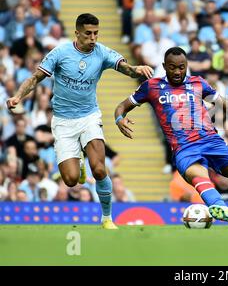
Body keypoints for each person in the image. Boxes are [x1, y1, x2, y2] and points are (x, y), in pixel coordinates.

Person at [6, 13, 153, 229]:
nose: (92, 38)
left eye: (95, 33)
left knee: (101, 169)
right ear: (77, 33)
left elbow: (125, 67)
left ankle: (107, 218)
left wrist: (136, 70)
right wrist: (18, 96)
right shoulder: (60, 53)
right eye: (88, 33)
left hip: (89, 117)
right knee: (71, 180)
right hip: (63, 122)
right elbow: (35, 78)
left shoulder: (102, 52)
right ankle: (79, 161)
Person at [114, 47, 228, 228]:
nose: (177, 72)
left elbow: (227, 106)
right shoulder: (151, 86)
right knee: (200, 177)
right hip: (184, 149)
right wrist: (119, 118)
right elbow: (122, 106)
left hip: (212, 142)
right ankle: (218, 205)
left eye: (181, 67)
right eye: (172, 67)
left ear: (187, 66)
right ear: (164, 66)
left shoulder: (198, 83)